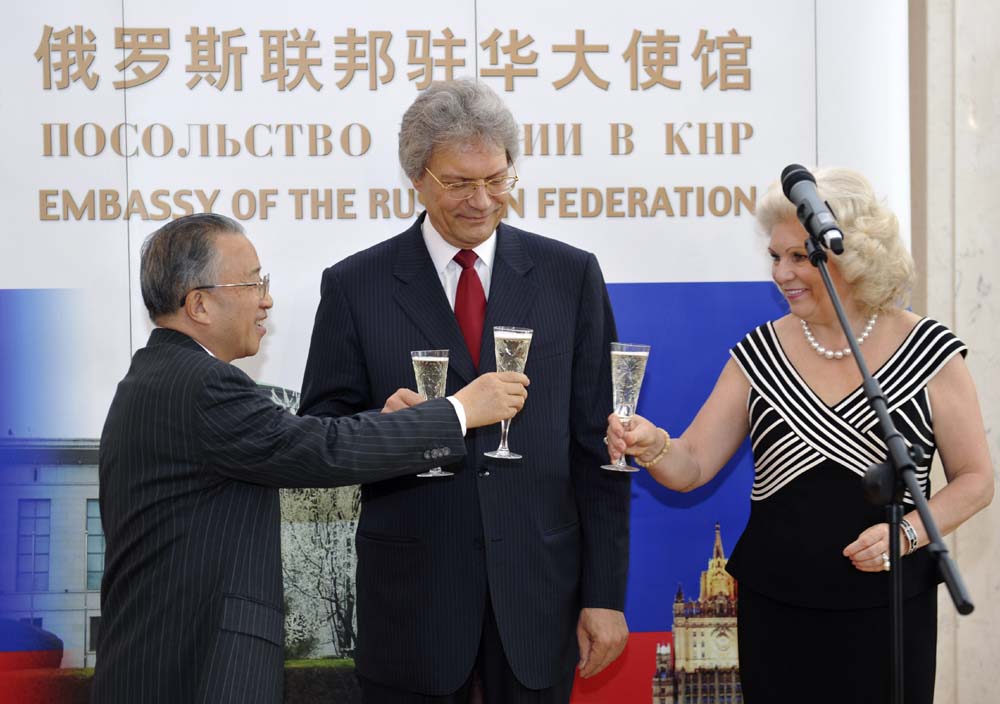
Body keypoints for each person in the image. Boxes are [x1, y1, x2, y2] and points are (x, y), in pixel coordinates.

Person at [92, 213, 528, 704]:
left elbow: (306, 440)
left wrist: (387, 421)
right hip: (193, 670)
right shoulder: (203, 385)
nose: (266, 299)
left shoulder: (162, 376)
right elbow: (318, 450)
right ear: (199, 304)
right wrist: (458, 411)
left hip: (164, 660)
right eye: (252, 283)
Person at [607, 168, 994, 704]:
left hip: (889, 606)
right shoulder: (759, 353)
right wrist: (655, 446)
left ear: (853, 254)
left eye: (799, 256)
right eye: (775, 256)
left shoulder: (928, 351)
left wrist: (906, 533)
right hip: (777, 609)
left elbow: (976, 479)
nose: (781, 273)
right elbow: (691, 463)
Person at [299, 78, 630, 703]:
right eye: (458, 183)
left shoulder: (570, 276)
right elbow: (319, 433)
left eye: (497, 179)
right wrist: (384, 424)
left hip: (538, 597)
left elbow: (601, 445)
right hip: (414, 603)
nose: (482, 201)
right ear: (416, 178)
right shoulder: (356, 285)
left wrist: (605, 596)